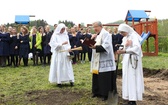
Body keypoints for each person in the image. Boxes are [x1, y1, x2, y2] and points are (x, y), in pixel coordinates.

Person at [117, 24, 144, 105]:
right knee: (127, 79)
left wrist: (125, 51)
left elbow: (137, 48)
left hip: (133, 62)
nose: (122, 34)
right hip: (127, 61)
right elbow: (122, 47)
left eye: (122, 32)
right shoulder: (125, 38)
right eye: (121, 33)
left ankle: (133, 99)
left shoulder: (133, 36)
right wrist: (123, 47)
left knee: (132, 79)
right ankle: (129, 98)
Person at [89, 21, 116, 101]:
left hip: (104, 59)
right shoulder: (97, 35)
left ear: (101, 26)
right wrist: (91, 40)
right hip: (97, 59)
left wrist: (95, 47)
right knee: (96, 76)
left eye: (96, 27)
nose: (94, 29)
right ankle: (96, 92)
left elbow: (106, 45)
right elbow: (93, 44)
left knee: (104, 77)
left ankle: (105, 94)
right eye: (93, 27)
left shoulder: (106, 34)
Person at [49, 23, 74, 87]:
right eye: (61, 29)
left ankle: (70, 80)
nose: (62, 31)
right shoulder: (55, 35)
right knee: (59, 67)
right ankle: (59, 81)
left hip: (65, 53)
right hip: (59, 53)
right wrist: (61, 44)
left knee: (67, 67)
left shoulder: (65, 35)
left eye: (63, 29)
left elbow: (68, 44)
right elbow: (53, 44)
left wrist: (69, 48)